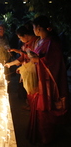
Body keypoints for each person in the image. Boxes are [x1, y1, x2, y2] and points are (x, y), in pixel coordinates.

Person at [27, 15, 69, 145]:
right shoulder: (41, 41)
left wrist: (34, 58)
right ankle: (38, 136)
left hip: (48, 84)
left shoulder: (51, 43)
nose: (33, 30)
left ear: (39, 28)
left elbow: (52, 63)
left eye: (34, 27)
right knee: (38, 108)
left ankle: (47, 139)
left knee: (45, 110)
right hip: (39, 81)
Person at [5, 23, 39, 110]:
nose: (20, 39)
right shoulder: (25, 45)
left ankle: (34, 106)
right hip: (26, 70)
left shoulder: (36, 42)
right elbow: (22, 58)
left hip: (34, 70)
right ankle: (30, 104)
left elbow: (35, 57)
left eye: (20, 37)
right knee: (28, 88)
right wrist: (10, 64)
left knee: (34, 88)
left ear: (26, 35)